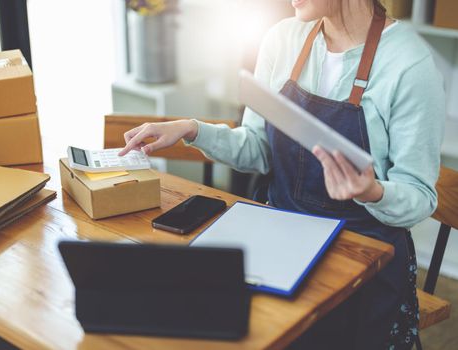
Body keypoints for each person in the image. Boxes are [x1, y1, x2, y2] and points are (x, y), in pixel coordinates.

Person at [119, 0, 445, 348]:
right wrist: (192, 129)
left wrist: (372, 192)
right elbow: (259, 148)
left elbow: (419, 195)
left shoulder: (410, 65)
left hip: (364, 257)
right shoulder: (281, 39)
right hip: (282, 242)